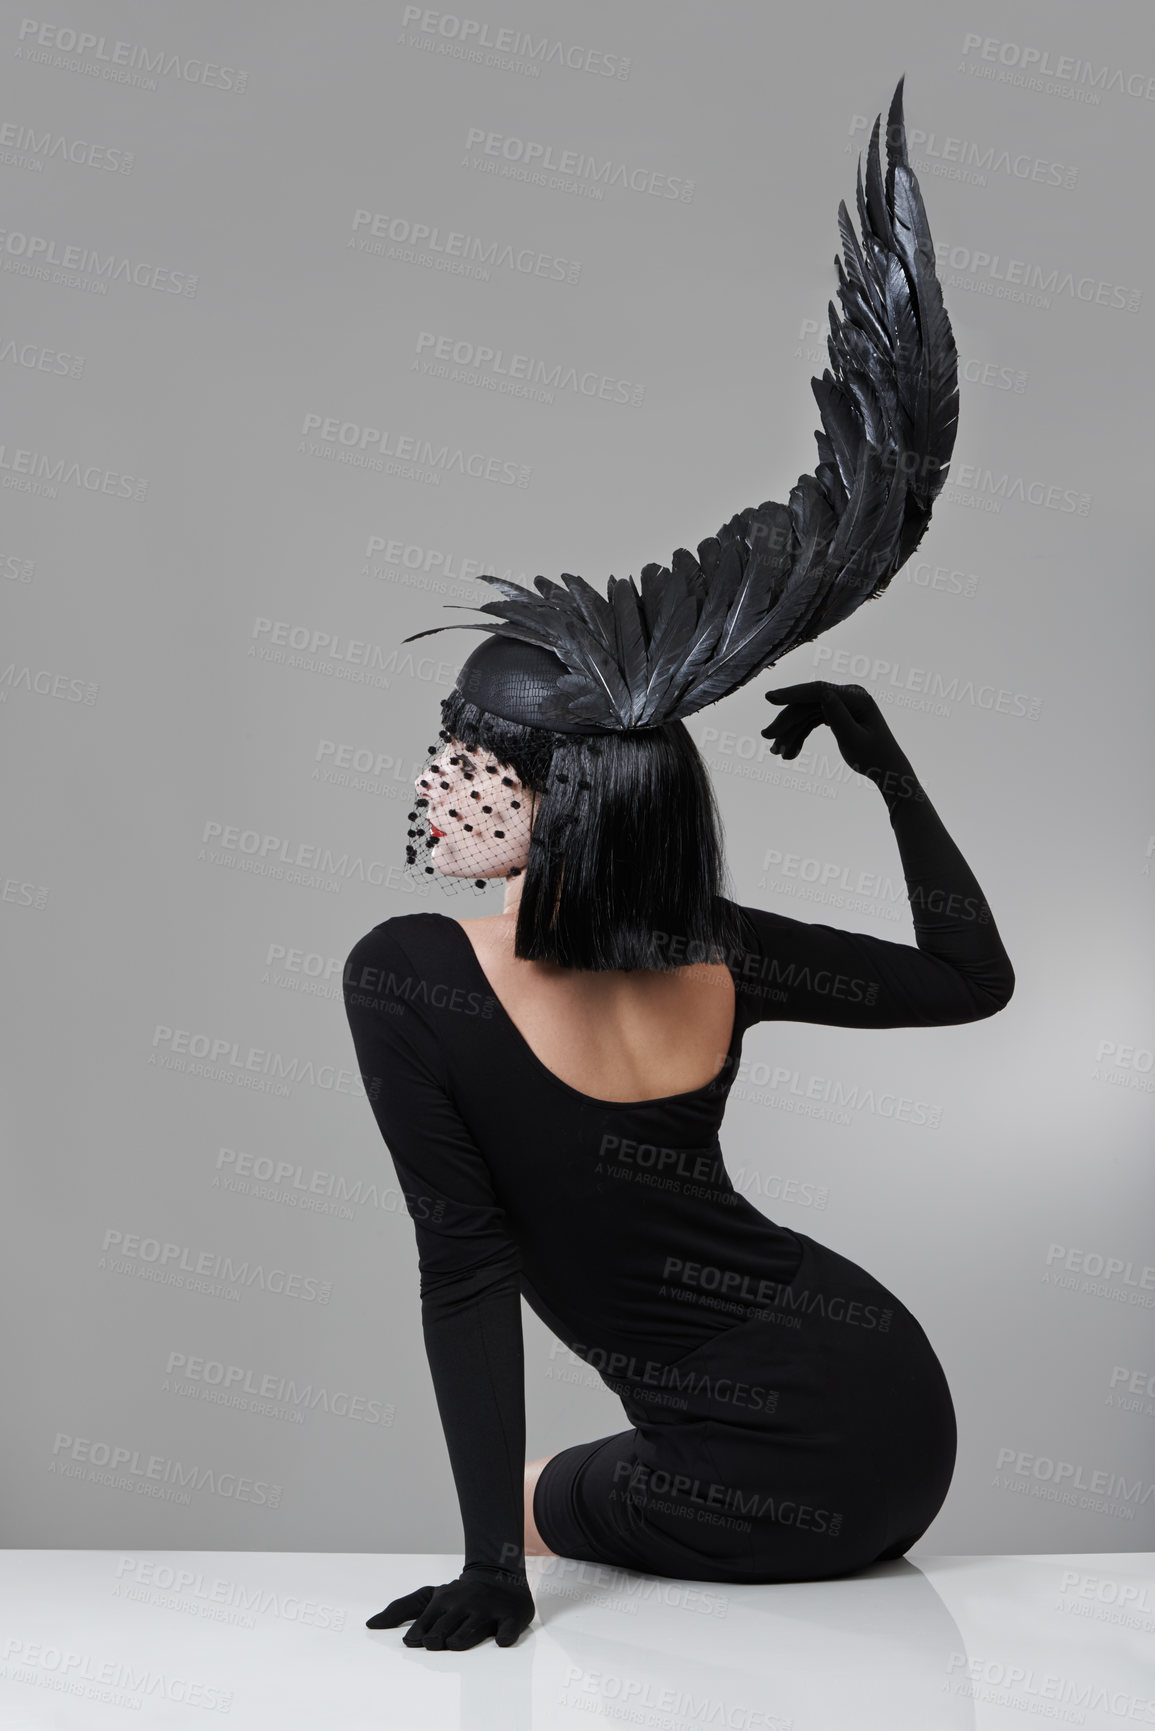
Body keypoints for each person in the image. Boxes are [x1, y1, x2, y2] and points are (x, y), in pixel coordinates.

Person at [341, 77, 1003, 1649]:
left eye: (468, 750)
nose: (434, 769)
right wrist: (888, 770)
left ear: (559, 801)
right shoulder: (714, 944)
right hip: (908, 1432)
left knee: (552, 1501)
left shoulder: (413, 977)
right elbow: (973, 983)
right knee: (583, 1490)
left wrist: (499, 1569)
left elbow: (467, 1270)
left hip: (772, 1479)